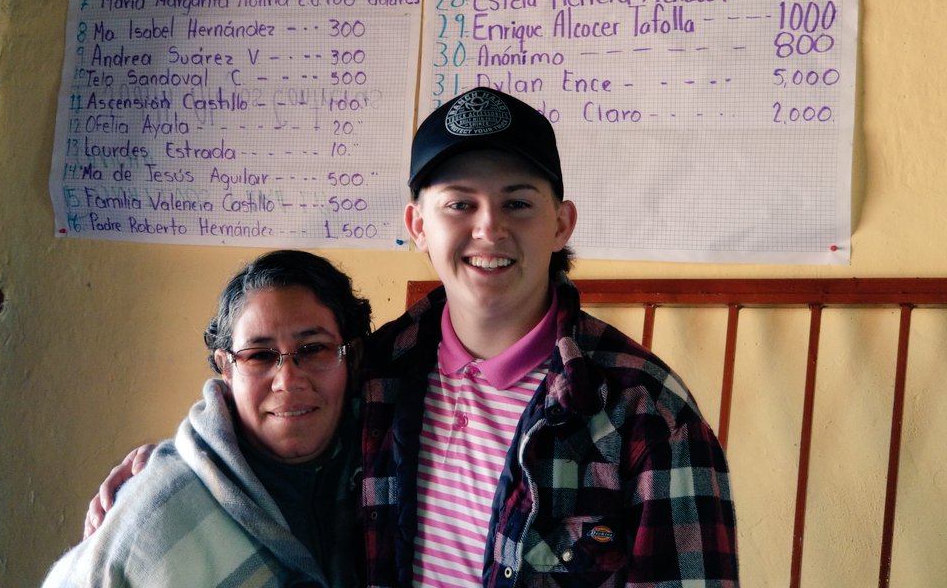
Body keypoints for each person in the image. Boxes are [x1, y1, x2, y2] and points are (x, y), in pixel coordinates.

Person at [88, 88, 739, 586]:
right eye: (459, 204)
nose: (488, 229)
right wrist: (168, 468)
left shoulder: (647, 413)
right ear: (418, 225)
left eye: (518, 203)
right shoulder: (373, 374)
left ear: (562, 223)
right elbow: (272, 434)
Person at [45, 250, 371, 588]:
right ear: (226, 369)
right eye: (259, 355)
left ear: (355, 357)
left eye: (314, 349)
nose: (287, 380)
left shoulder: (391, 474)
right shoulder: (158, 509)